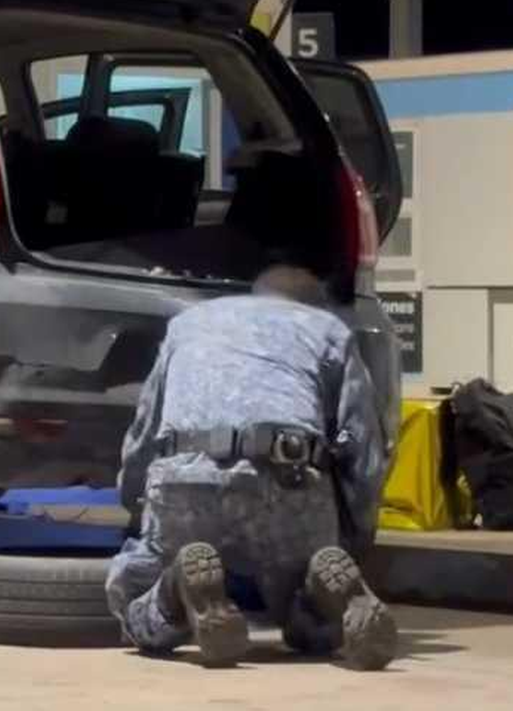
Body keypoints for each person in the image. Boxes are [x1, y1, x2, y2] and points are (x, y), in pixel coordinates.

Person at [106, 266, 396, 670]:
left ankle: (175, 587)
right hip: (288, 480)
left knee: (134, 598)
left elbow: (143, 431)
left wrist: (136, 507)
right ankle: (319, 592)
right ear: (314, 306)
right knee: (309, 631)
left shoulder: (186, 323)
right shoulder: (329, 331)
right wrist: (355, 538)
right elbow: (363, 454)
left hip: (185, 480)